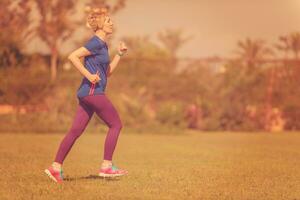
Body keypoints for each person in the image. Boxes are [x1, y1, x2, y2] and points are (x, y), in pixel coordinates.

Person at [44, 7, 128, 183]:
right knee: (116, 125)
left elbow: (108, 72)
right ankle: (106, 166)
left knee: (75, 131)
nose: (112, 23)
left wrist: (119, 55)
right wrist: (88, 75)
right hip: (92, 92)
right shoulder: (96, 42)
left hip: (87, 93)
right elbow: (73, 56)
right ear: (99, 26)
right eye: (108, 21)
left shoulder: (103, 45)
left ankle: (55, 168)